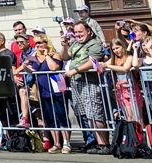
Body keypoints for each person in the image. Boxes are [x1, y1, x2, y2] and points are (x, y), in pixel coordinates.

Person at [59, 21, 109, 152]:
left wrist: (75, 70)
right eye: (76, 32)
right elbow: (64, 57)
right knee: (86, 114)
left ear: (89, 31)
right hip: (76, 83)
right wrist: (64, 46)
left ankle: (104, 143)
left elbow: (94, 61)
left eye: (80, 32)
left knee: (95, 113)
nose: (78, 35)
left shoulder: (95, 43)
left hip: (90, 82)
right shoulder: (75, 44)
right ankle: (98, 143)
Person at [19, 36, 71, 154]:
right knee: (50, 118)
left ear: (46, 42)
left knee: (61, 116)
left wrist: (46, 55)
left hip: (57, 89)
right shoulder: (35, 57)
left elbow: (54, 68)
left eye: (40, 43)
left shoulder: (55, 54)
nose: (37, 45)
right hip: (43, 91)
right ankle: (57, 143)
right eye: (36, 43)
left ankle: (66, 143)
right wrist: (27, 68)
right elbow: (30, 70)